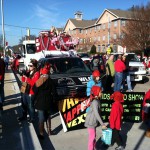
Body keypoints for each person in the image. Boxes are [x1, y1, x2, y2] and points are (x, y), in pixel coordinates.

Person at [33, 63, 55, 139]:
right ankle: (49, 131)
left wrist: (34, 101)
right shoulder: (51, 81)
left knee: (41, 119)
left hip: (40, 103)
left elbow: (34, 91)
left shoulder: (39, 81)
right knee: (48, 116)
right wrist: (54, 100)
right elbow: (54, 92)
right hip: (48, 102)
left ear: (42, 73)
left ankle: (41, 133)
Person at [84, 85, 107, 150]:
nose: (101, 93)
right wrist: (102, 124)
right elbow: (97, 114)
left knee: (93, 136)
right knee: (92, 138)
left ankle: (94, 148)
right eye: (100, 92)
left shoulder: (96, 100)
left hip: (93, 121)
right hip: (91, 122)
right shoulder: (95, 102)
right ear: (97, 92)